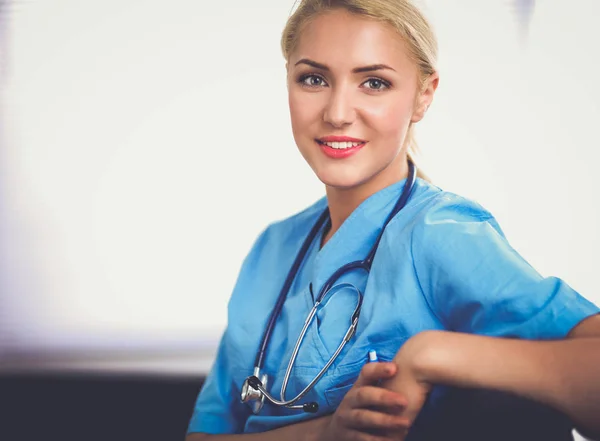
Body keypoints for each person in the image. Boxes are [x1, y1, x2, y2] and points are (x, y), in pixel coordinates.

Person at [185, 1, 600, 440]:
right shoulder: (272, 248)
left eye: (374, 83)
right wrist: (326, 433)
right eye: (314, 79)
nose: (338, 112)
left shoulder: (440, 234)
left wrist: (432, 354)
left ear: (424, 95)